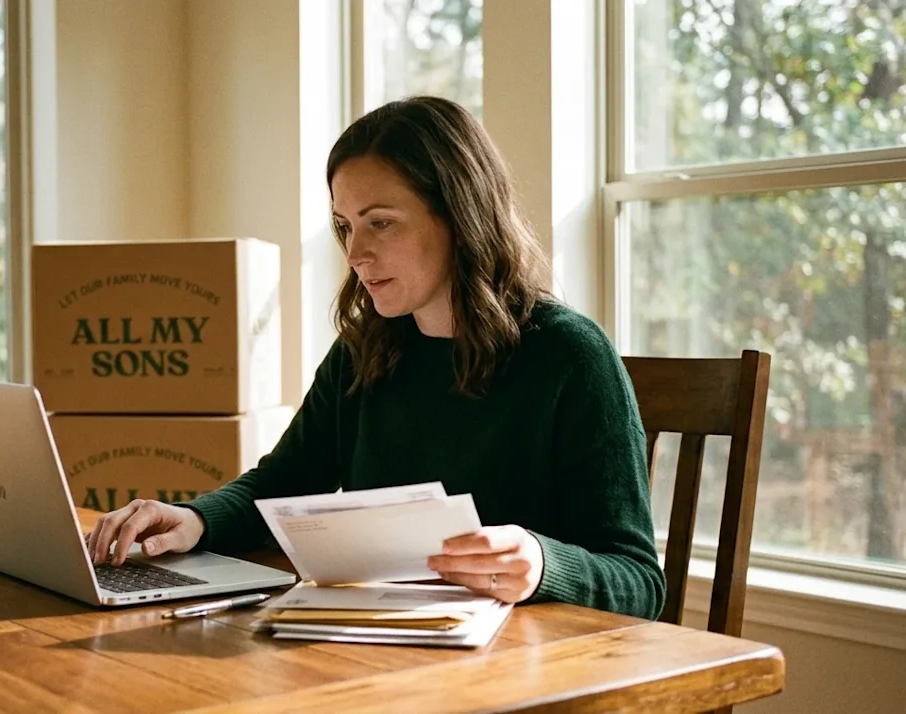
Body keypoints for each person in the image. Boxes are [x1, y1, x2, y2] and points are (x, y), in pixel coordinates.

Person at [85, 96, 665, 620]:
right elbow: (284, 483)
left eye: (381, 223)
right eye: (345, 227)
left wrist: (541, 563)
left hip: (525, 674)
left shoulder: (570, 355)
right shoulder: (367, 349)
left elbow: (638, 579)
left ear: (460, 215)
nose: (357, 254)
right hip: (375, 651)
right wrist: (197, 518)